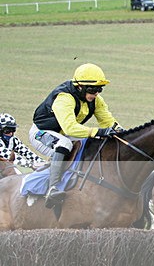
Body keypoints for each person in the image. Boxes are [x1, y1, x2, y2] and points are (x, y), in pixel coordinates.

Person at [30, 63, 122, 208]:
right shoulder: (64, 98)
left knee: (93, 143)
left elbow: (108, 121)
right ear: (80, 87)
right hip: (42, 133)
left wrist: (123, 134)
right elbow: (70, 127)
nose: (96, 93)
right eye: (92, 89)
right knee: (64, 144)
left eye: (99, 89)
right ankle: (52, 189)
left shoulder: (96, 101)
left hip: (65, 133)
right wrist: (97, 131)